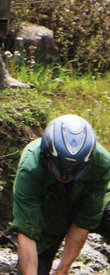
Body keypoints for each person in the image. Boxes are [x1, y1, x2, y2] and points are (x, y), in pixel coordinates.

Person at [12, 114, 110, 275]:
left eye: (74, 171)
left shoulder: (102, 163)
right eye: (60, 169)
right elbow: (27, 230)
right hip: (48, 213)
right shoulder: (30, 168)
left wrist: (62, 270)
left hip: (91, 203)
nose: (65, 176)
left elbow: (83, 221)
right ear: (46, 155)